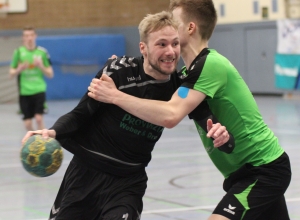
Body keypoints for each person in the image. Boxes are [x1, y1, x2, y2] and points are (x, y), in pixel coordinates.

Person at [87, 1, 292, 219]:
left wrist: (115, 96)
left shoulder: (210, 65)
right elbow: (154, 86)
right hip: (243, 173)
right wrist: (123, 69)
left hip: (262, 170)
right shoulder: (188, 73)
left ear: (190, 28)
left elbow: (171, 115)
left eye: (174, 21)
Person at [21, 11, 230, 220]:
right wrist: (52, 131)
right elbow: (81, 113)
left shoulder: (180, 88)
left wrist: (220, 133)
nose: (171, 51)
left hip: (127, 183)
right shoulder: (118, 71)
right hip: (85, 174)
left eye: (175, 44)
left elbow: (207, 120)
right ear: (143, 48)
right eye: (162, 44)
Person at [9, 26, 54, 131]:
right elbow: (11, 74)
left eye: (31, 35)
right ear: (23, 38)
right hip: (24, 92)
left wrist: (41, 66)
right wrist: (19, 69)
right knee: (28, 123)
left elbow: (50, 74)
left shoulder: (42, 52)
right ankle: (31, 144)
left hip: (39, 89)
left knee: (39, 118)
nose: (29, 38)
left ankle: (44, 142)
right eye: (26, 36)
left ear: (35, 36)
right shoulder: (18, 52)